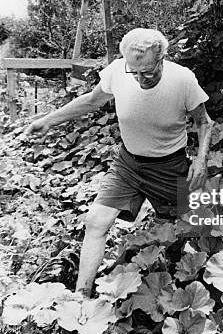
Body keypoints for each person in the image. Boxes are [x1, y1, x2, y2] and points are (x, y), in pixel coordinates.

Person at [27, 28, 213, 297]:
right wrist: (47, 120)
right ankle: (81, 295)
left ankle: (179, 289)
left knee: (184, 231)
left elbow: (204, 122)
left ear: (162, 59)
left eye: (147, 72)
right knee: (96, 221)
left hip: (169, 166)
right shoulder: (117, 71)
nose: (139, 79)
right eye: (134, 72)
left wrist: (200, 160)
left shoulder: (182, 80)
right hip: (128, 164)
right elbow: (91, 102)